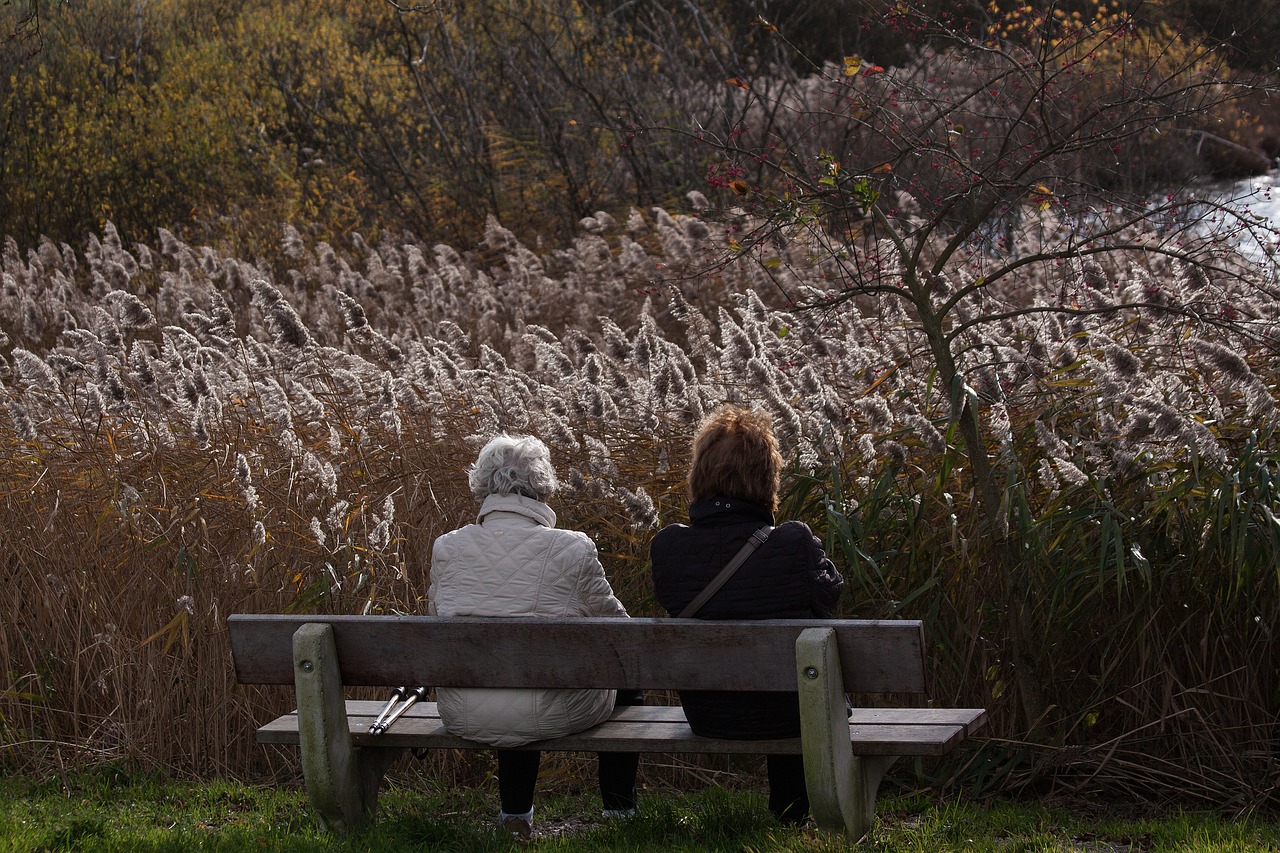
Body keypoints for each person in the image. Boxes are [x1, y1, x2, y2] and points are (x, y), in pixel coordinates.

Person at [428, 434, 640, 841]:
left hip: (464, 709)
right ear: (542, 487)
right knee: (626, 678)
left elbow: (433, 620)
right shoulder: (572, 549)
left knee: (507, 677)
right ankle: (619, 816)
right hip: (549, 708)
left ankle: (515, 818)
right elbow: (621, 633)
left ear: (483, 486)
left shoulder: (447, 548)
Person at [650, 405, 844, 826]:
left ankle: (789, 808)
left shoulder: (667, 547)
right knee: (794, 667)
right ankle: (791, 810)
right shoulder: (792, 542)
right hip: (790, 716)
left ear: (698, 474)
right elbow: (830, 598)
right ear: (767, 477)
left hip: (707, 714)